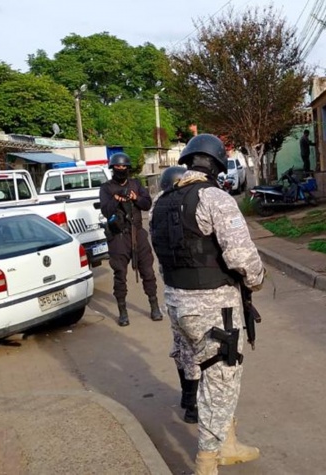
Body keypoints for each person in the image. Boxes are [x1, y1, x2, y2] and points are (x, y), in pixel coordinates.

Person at [150, 134, 265, 474]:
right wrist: (257, 279)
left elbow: (163, 256)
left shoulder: (161, 202)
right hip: (215, 308)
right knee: (221, 381)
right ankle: (207, 463)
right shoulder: (214, 197)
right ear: (216, 165)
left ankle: (228, 443)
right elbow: (242, 257)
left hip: (177, 303)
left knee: (208, 375)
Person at [155, 165, 200, 424]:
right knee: (195, 350)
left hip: (172, 290)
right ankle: (193, 406)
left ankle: (186, 397)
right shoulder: (188, 210)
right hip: (193, 292)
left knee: (181, 346)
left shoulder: (158, 210)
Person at [100, 152, 163, 326]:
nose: (121, 169)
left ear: (128, 168)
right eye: (117, 166)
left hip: (137, 233)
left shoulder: (136, 184)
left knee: (148, 272)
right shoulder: (106, 188)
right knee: (120, 274)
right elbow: (106, 211)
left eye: (124, 166)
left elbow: (147, 204)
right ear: (113, 168)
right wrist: (116, 199)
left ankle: (154, 306)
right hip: (119, 236)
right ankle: (122, 312)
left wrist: (135, 197)